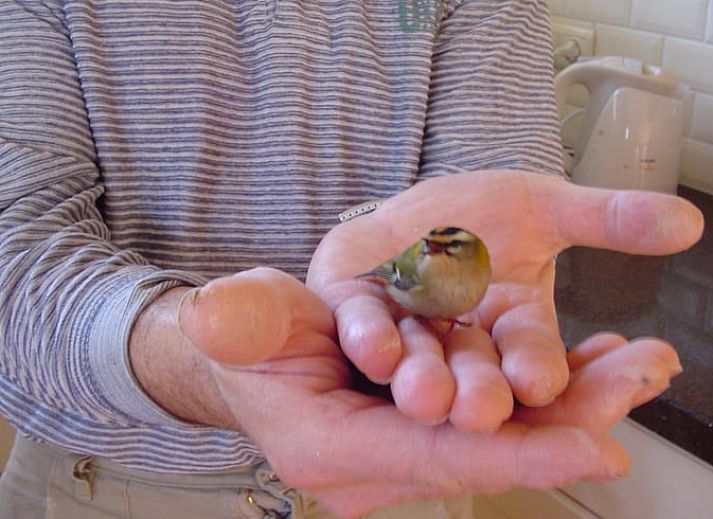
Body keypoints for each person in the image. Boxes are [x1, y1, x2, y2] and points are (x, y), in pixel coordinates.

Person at [0, 1, 703, 518]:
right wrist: (203, 364)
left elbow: (496, 198)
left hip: (402, 470)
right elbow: (16, 255)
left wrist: (447, 289)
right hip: (99, 482)